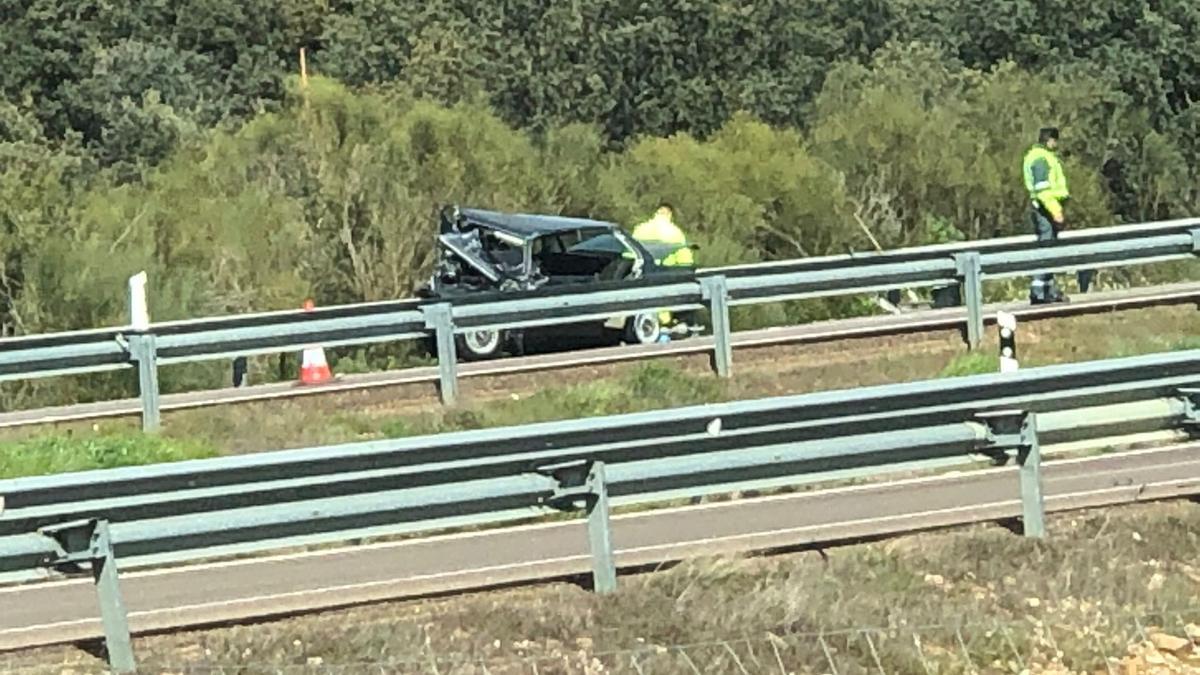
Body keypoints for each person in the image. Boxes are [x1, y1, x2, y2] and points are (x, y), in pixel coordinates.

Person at [629, 203, 695, 333]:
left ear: (656, 213)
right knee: (666, 306)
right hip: (665, 276)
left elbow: (630, 254)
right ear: (670, 215)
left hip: (642, 276)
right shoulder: (675, 233)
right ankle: (667, 328)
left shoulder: (640, 229)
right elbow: (685, 261)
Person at [1022, 127, 1071, 304]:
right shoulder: (1041, 158)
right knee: (1045, 248)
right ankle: (1038, 291)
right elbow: (1043, 191)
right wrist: (1056, 212)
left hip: (1046, 208)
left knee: (1049, 248)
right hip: (1045, 209)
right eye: (1055, 141)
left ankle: (1048, 289)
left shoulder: (1039, 156)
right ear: (1050, 140)